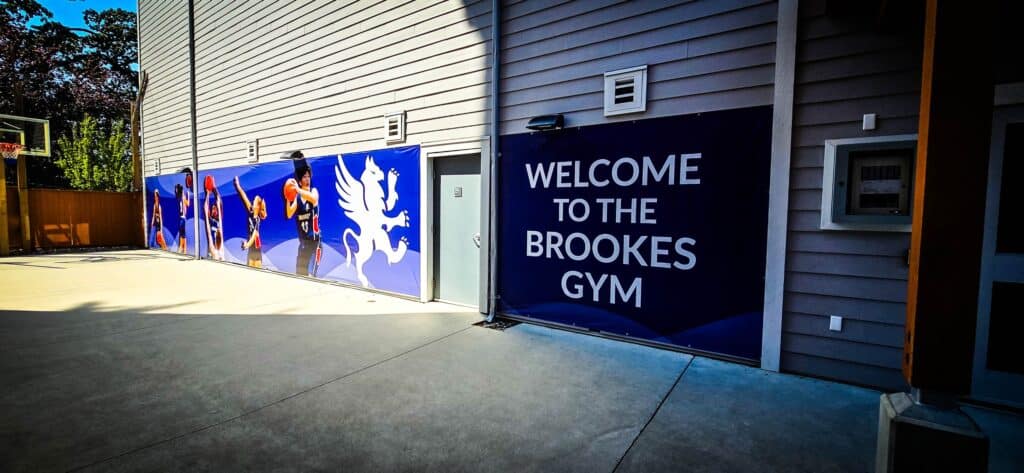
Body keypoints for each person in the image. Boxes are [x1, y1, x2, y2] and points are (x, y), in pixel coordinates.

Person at [284, 152, 321, 276]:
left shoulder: (313, 191)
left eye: (308, 176)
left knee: (311, 277)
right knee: (300, 276)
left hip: (315, 243)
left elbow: (314, 199)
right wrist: (288, 196)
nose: (307, 179)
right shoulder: (298, 198)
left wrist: (298, 190)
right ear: (300, 181)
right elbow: (289, 214)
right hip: (303, 245)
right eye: (304, 177)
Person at [234, 176, 267, 268]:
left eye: (254, 203)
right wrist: (237, 186)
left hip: (256, 248)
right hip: (251, 248)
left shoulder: (257, 219)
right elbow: (243, 197)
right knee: (250, 269)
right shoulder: (250, 211)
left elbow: (255, 234)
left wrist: (247, 245)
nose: (252, 204)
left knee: (257, 270)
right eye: (253, 202)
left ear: (258, 207)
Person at [204, 177, 225, 261]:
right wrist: (207, 194)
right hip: (212, 252)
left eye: (215, 208)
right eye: (212, 208)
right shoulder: (209, 222)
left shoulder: (219, 222)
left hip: (219, 253)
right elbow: (205, 209)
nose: (214, 209)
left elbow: (219, 201)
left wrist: (214, 188)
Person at [174, 182, 190, 253]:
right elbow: (188, 204)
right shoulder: (181, 197)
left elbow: (187, 204)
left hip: (182, 218)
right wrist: (187, 195)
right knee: (182, 233)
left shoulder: (181, 197)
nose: (176, 190)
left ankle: (183, 248)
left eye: (176, 189)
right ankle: (183, 248)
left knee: (182, 233)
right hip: (182, 218)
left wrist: (187, 194)